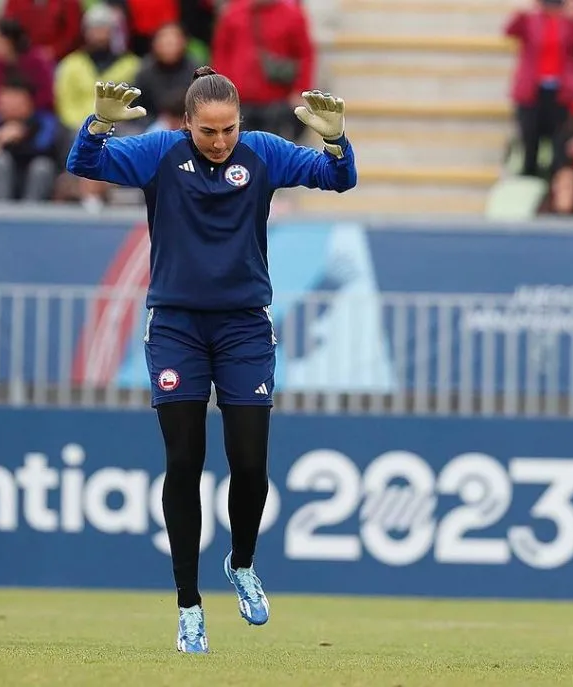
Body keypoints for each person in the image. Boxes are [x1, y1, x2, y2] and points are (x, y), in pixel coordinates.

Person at [65, 66, 357, 654]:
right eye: (208, 132)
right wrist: (96, 125)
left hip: (245, 327)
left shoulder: (266, 153)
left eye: (228, 130)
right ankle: (188, 606)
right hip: (176, 327)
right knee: (185, 460)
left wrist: (336, 140)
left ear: (241, 122)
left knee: (250, 460)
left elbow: (339, 180)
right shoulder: (159, 154)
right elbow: (85, 165)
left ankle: (242, 564)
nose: (220, 142)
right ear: (187, 124)